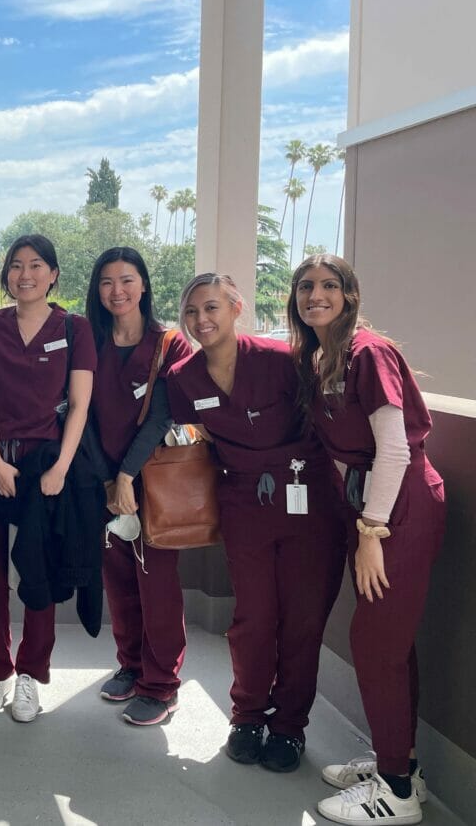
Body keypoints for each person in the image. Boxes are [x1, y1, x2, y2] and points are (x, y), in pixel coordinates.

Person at [166, 273, 346, 772]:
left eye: (211, 308)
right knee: (254, 617)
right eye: (191, 312)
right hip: (244, 502)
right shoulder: (183, 377)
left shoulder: (282, 360)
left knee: (304, 617)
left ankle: (289, 727)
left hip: (307, 500)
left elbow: (329, 417)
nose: (201, 320)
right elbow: (192, 435)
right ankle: (247, 716)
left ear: (236, 307)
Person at [288, 255, 444, 826]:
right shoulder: (320, 356)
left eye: (330, 286)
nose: (316, 295)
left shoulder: (368, 352)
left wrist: (374, 531)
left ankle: (396, 793)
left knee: (374, 643)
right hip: (371, 506)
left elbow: (396, 448)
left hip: (398, 505)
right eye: (306, 287)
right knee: (390, 642)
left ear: (350, 296)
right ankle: (399, 764)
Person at [0, 233, 95, 723]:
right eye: (16, 266)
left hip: (47, 463)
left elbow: (80, 403)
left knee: (39, 568)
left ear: (53, 273)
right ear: (6, 275)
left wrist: (61, 465)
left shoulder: (74, 328)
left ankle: (31, 674)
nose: (25, 275)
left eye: (36, 265)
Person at [85, 247, 193, 727]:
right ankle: (130, 664)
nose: (117, 291)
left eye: (126, 280)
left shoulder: (169, 344)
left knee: (158, 586)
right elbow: (80, 415)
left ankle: (161, 684)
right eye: (107, 282)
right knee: (119, 579)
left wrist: (127, 475)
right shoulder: (89, 340)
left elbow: (163, 416)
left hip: (153, 481)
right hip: (102, 480)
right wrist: (108, 479)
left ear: (144, 284)